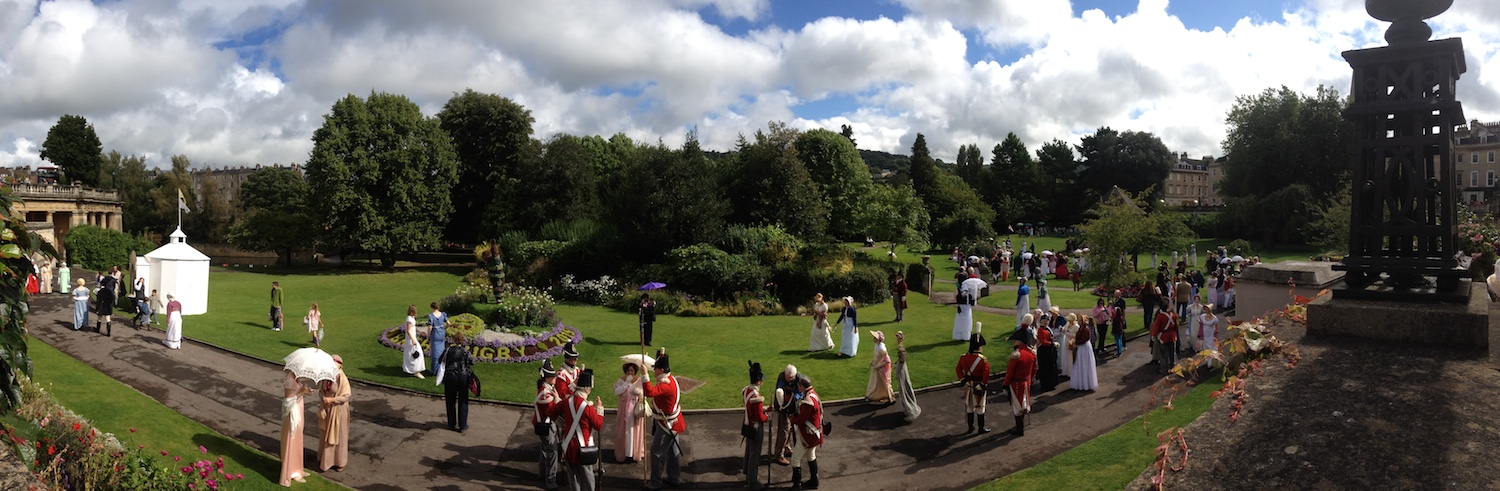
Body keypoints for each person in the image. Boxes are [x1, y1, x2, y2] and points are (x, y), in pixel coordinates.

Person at [547, 368, 602, 491]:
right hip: (583, 446)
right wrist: (599, 409)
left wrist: (562, 424)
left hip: (568, 446)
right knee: (588, 479)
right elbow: (598, 425)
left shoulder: (566, 402)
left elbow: (550, 412)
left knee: (573, 478)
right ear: (587, 389)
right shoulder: (588, 407)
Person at [642, 348, 685, 490]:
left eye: (655, 369)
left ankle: (656, 482)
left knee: (656, 452)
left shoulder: (666, 385)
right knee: (673, 452)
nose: (654, 372)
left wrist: (644, 376)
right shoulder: (670, 379)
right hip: (673, 421)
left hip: (667, 423)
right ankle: (674, 478)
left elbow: (649, 392)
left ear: (660, 370)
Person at [787, 374, 823, 490]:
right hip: (815, 433)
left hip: (808, 435)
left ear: (802, 386)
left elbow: (802, 419)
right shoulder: (814, 395)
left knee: (795, 459)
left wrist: (793, 419)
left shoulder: (807, 401)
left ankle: (797, 485)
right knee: (811, 456)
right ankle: (814, 480)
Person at [318, 354, 351, 473]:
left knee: (339, 436)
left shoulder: (342, 378)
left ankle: (340, 462)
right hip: (327, 410)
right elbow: (321, 391)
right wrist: (323, 398)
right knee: (325, 434)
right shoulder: (326, 376)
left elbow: (346, 396)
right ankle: (325, 460)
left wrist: (332, 400)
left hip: (338, 411)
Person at [279, 369, 313, 486]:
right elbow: (288, 401)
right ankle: (291, 472)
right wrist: (300, 392)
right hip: (292, 415)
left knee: (298, 440)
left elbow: (296, 394)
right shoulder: (290, 380)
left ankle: (298, 469)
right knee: (291, 441)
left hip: (298, 412)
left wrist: (305, 391)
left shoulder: (296, 379)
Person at [1002, 329, 1036, 436]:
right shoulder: (1031, 353)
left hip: (1016, 383)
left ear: (1020, 341)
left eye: (1015, 340)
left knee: (1017, 407)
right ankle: (1020, 426)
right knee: (1024, 403)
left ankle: (1019, 429)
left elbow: (1010, 372)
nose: (1014, 342)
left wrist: (1005, 384)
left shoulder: (1017, 355)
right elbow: (1033, 370)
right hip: (1026, 382)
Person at [957, 325, 990, 434]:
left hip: (968, 385)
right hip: (978, 385)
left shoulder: (963, 357)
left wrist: (963, 380)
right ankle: (981, 428)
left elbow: (958, 369)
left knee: (969, 406)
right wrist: (983, 384)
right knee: (980, 407)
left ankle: (970, 427)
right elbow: (986, 373)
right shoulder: (982, 360)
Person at [441, 332, 477, 432]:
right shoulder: (465, 352)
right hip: (462, 377)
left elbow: (441, 360)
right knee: (463, 400)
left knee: (450, 400)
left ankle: (451, 423)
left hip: (450, 376)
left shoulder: (448, 350)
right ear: (462, 341)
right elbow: (473, 362)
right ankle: (462, 425)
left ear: (454, 340)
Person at [535, 360, 562, 491]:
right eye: (553, 376)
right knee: (552, 452)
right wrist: (557, 400)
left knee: (544, 450)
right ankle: (550, 481)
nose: (555, 378)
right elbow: (552, 411)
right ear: (547, 378)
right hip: (545, 425)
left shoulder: (548, 389)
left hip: (546, 425)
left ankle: (542, 474)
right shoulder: (546, 393)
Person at [612, 360, 647, 463]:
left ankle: (635, 452)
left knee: (635, 429)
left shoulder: (639, 380)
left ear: (635, 371)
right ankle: (624, 452)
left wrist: (639, 392)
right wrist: (626, 383)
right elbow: (616, 392)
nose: (630, 373)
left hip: (634, 408)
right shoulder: (621, 380)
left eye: (632, 371)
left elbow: (645, 392)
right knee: (623, 430)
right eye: (628, 371)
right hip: (624, 409)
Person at [742, 361, 768, 490]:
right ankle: (752, 480)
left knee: (749, 450)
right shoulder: (756, 397)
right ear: (758, 381)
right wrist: (767, 416)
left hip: (747, 424)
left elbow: (753, 411)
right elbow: (759, 417)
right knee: (755, 453)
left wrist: (763, 410)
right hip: (755, 427)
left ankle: (747, 472)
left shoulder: (746, 391)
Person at [772, 365, 800, 466]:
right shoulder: (782, 378)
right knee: (784, 431)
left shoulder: (798, 378)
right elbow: (779, 392)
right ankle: (778, 454)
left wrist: (794, 398)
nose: (789, 380)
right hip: (783, 407)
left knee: (791, 428)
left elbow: (799, 392)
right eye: (788, 378)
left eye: (791, 378)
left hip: (793, 407)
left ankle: (787, 448)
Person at [893, 331, 921, 421]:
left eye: (898, 337)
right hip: (902, 370)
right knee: (905, 389)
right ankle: (907, 409)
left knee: (904, 389)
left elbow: (902, 361)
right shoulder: (900, 348)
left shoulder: (901, 349)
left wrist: (897, 372)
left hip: (902, 372)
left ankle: (910, 410)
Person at [1069, 316, 1098, 391]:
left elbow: (1084, 340)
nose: (1079, 321)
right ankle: (1081, 382)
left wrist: (1075, 342)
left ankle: (1086, 383)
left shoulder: (1086, 329)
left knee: (1085, 364)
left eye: (1080, 320)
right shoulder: (1080, 328)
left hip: (1084, 347)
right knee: (1080, 363)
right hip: (1081, 347)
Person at [865, 331, 893, 403]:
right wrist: (873, 361)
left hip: (880, 368)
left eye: (874, 338)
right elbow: (876, 356)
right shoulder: (876, 346)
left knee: (882, 383)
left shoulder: (882, 348)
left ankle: (887, 396)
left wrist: (879, 366)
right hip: (876, 367)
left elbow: (887, 360)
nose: (873, 339)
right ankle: (872, 396)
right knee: (874, 382)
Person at [1150, 308, 1178, 375]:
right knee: (1172, 352)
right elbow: (1176, 325)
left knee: (1163, 353)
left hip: (1163, 336)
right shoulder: (1173, 315)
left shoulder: (1160, 316)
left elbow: (1156, 326)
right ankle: (1172, 366)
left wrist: (1153, 335)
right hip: (1172, 335)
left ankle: (1164, 369)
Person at [1035, 315, 1059, 392]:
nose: (1046, 322)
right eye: (1044, 321)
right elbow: (1043, 341)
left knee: (1051, 367)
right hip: (1044, 351)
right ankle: (1046, 384)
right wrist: (1052, 344)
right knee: (1046, 368)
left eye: (1047, 321)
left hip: (1049, 350)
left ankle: (1052, 383)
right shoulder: (1040, 330)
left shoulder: (1047, 329)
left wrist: (1053, 341)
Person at [401, 305, 425, 379]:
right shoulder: (409, 319)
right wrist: (413, 339)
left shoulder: (412, 318)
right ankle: (415, 371)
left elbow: (412, 328)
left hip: (412, 338)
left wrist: (419, 331)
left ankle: (414, 369)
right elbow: (408, 330)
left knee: (414, 354)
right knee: (415, 354)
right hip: (411, 340)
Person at [952, 276, 976, 341]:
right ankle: (965, 336)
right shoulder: (967, 286)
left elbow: (955, 296)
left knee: (960, 321)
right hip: (966, 306)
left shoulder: (959, 286)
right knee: (966, 321)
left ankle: (960, 336)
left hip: (962, 305)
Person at [95, 269, 119, 336]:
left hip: (101, 306)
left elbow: (98, 301)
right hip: (107, 307)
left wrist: (97, 308)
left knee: (99, 318)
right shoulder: (110, 293)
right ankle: (108, 332)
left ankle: (98, 329)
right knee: (108, 319)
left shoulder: (100, 292)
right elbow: (111, 301)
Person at [427, 302, 447, 374]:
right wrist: (444, 328)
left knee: (435, 353)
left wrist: (428, 335)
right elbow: (449, 323)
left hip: (435, 334)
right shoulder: (443, 314)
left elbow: (430, 327)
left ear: (432, 308)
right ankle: (441, 369)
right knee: (441, 351)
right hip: (442, 334)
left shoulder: (431, 316)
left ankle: (435, 370)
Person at [1061, 313, 1079, 379]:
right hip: (1066, 340)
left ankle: (1070, 372)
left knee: (1070, 357)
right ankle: (1065, 371)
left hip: (1071, 342)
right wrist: (1062, 330)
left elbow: (1077, 335)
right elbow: (1064, 330)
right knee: (1065, 356)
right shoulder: (1067, 324)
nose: (1069, 321)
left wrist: (1070, 334)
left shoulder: (1076, 326)